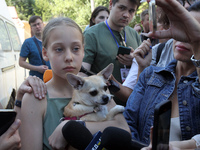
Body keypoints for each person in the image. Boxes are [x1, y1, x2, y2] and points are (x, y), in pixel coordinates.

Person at [18, 17, 129, 150]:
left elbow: (124, 130)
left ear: (83, 51)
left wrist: (68, 128)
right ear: (45, 53)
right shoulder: (36, 97)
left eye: (75, 49)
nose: (69, 57)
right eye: (59, 49)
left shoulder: (99, 88)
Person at [123, 0, 200, 147]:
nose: (186, 38)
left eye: (193, 32)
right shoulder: (150, 75)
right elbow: (128, 121)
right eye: (183, 27)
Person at [82, 0, 141, 106]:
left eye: (131, 11)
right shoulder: (91, 35)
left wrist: (135, 61)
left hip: (135, 105)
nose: (126, 15)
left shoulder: (134, 35)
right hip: (105, 108)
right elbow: (82, 74)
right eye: (122, 8)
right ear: (110, 5)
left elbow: (145, 71)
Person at [19, 15, 51, 80]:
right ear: (31, 28)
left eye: (39, 24)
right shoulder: (28, 42)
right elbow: (21, 62)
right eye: (34, 25)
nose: (37, 27)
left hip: (53, 80)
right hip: (36, 81)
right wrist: (37, 68)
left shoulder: (51, 39)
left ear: (43, 24)